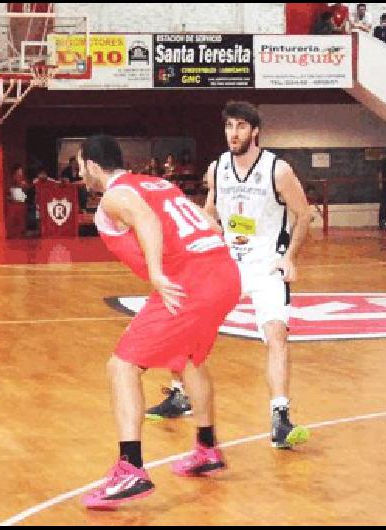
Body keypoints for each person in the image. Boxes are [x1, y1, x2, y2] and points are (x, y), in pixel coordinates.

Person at [78, 135, 241, 510]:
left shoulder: (115, 195)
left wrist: (155, 272)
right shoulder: (159, 183)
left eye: (81, 165)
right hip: (223, 273)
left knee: (121, 366)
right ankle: (206, 449)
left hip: (190, 280)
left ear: (91, 164)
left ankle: (131, 469)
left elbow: (147, 220)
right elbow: (210, 225)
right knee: (189, 361)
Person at [147, 102, 312, 451]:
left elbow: (304, 214)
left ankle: (280, 418)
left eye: (240, 127)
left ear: (255, 131)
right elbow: (212, 212)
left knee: (276, 335)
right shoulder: (217, 168)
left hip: (267, 263)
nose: (233, 134)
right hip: (226, 263)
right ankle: (180, 395)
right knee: (187, 322)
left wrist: (289, 258)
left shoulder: (277, 170)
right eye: (228, 127)